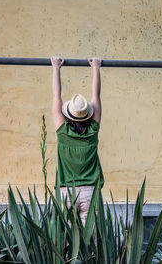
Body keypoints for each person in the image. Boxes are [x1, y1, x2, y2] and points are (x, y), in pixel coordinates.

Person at [50, 56, 104, 225]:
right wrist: (96, 67)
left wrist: (56, 68)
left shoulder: (62, 131)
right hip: (90, 192)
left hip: (66, 192)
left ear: (68, 115)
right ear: (87, 114)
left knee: (64, 242)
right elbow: (96, 96)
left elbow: (56, 96)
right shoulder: (92, 131)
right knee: (90, 244)